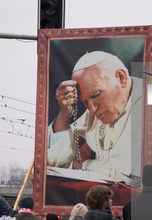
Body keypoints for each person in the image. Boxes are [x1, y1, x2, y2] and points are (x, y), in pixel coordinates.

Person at [47, 51, 143, 184]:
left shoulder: (151, 108)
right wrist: (64, 114)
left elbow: (130, 179)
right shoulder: (92, 115)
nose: (92, 109)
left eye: (96, 95)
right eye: (85, 102)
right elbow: (55, 163)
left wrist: (86, 164)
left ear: (121, 78)